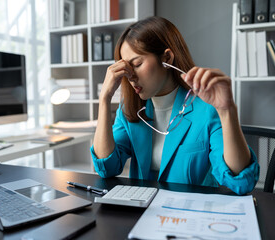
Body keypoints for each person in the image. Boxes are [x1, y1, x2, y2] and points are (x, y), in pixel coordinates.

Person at [90, 16, 259, 195]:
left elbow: (242, 182)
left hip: (189, 213)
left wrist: (227, 111)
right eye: (126, 68)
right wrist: (104, 100)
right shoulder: (130, 109)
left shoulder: (207, 107)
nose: (130, 76)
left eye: (137, 64)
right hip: (142, 213)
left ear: (167, 58)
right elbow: (106, 168)